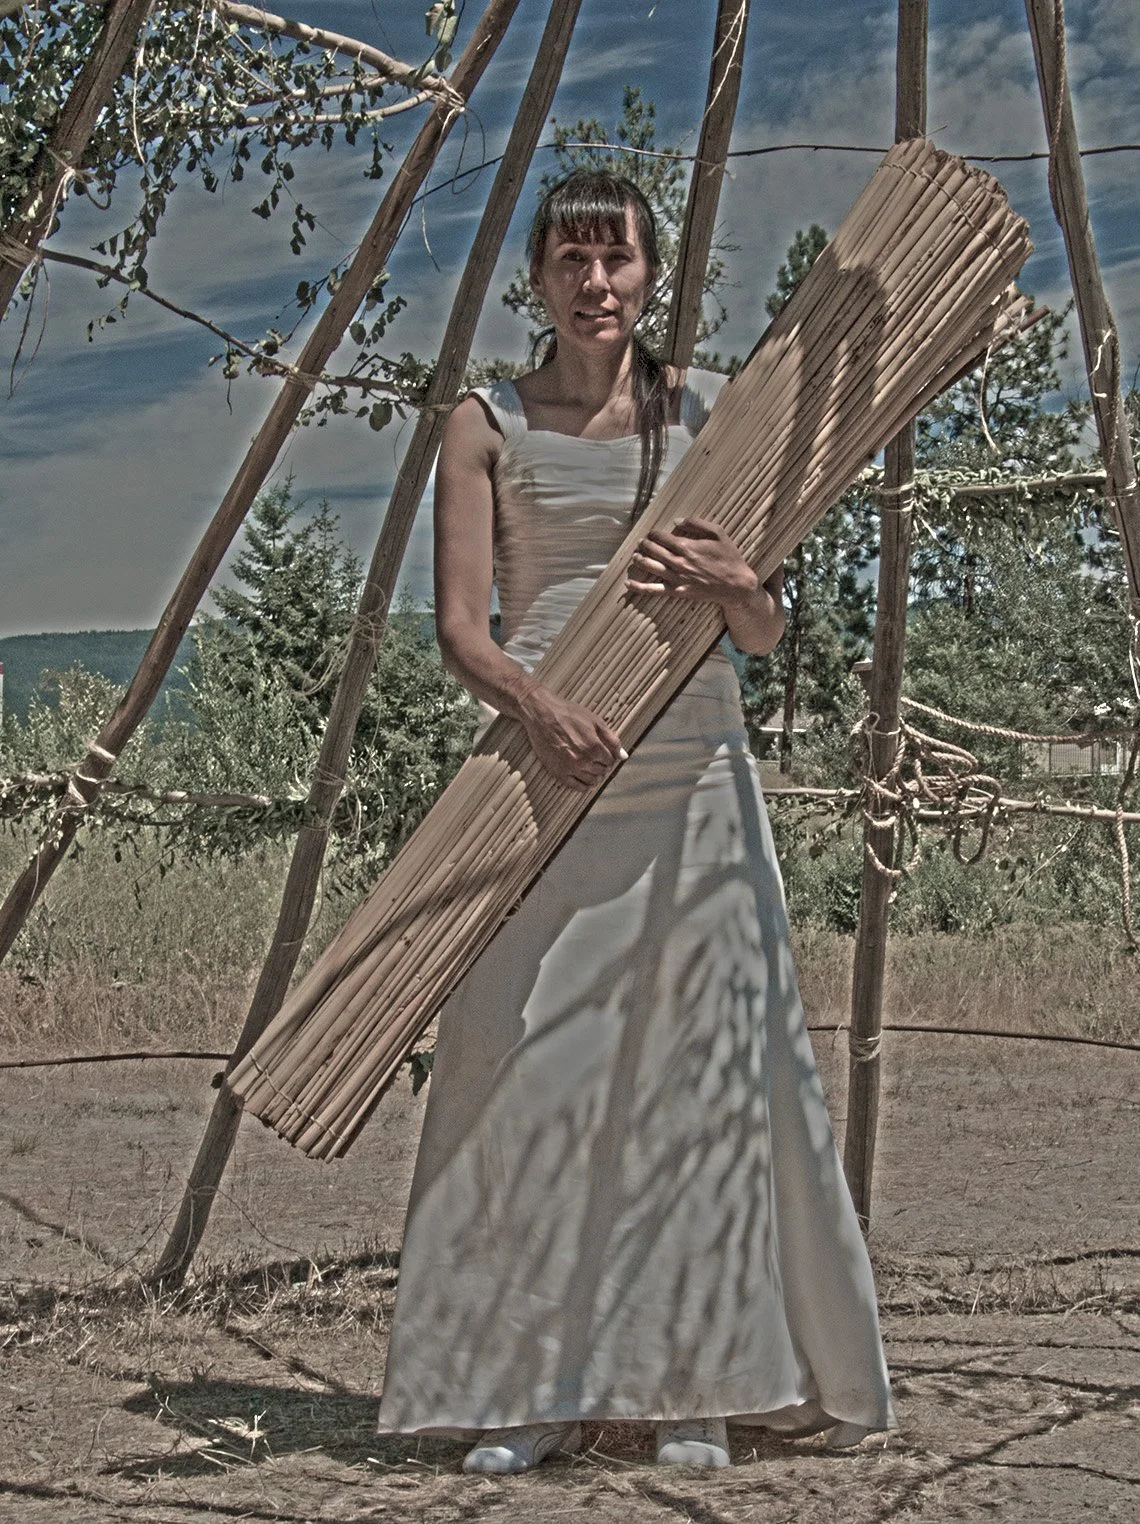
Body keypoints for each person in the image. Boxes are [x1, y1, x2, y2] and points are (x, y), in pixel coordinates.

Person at [375, 170, 894, 1474]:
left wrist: (738, 580)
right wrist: (540, 709)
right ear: (538, 278)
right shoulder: (482, 424)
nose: (595, 283)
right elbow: (458, 630)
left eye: (617, 262)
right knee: (527, 1063)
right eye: (571, 261)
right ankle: (529, 1383)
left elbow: (763, 630)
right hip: (546, 763)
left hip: (692, 761)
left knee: (697, 1074)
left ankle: (698, 1384)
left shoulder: (709, 410)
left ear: (650, 275)